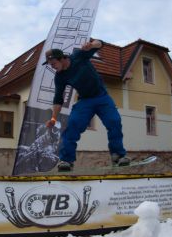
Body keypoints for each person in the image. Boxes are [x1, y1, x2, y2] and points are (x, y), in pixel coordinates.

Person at [43, 39, 130, 171]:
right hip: (85, 101)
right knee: (72, 124)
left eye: (53, 63)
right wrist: (53, 119)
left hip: (102, 97)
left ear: (61, 58)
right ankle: (66, 160)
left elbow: (100, 44)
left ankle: (117, 155)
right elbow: (58, 99)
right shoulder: (59, 77)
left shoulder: (78, 55)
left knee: (114, 121)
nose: (53, 67)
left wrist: (92, 45)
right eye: (50, 65)